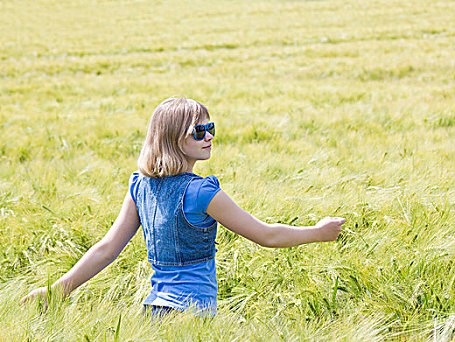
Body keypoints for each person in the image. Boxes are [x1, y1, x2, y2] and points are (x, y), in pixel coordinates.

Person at [20, 97, 345, 317]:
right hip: (194, 316)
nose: (209, 137)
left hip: (154, 313)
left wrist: (58, 290)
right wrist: (318, 232)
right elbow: (266, 235)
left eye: (210, 128)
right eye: (199, 131)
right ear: (175, 138)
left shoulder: (139, 186)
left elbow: (106, 249)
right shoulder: (202, 193)